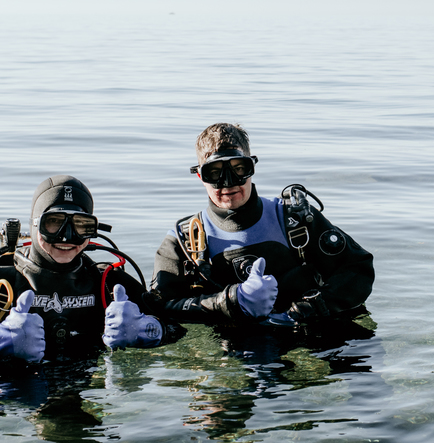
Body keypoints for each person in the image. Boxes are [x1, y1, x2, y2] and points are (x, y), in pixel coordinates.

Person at [0, 175, 169, 367]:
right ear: (35, 225)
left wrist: (150, 331)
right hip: (6, 393)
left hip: (90, 386)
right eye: (54, 223)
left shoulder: (110, 284)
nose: (67, 237)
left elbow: (176, 327)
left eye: (81, 225)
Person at [152, 123, 374, 326]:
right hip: (235, 348)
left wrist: (305, 309)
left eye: (239, 169)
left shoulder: (295, 220)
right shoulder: (183, 242)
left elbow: (358, 269)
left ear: (252, 168)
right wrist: (229, 301)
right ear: (200, 175)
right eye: (215, 173)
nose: (228, 183)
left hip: (311, 328)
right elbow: (160, 305)